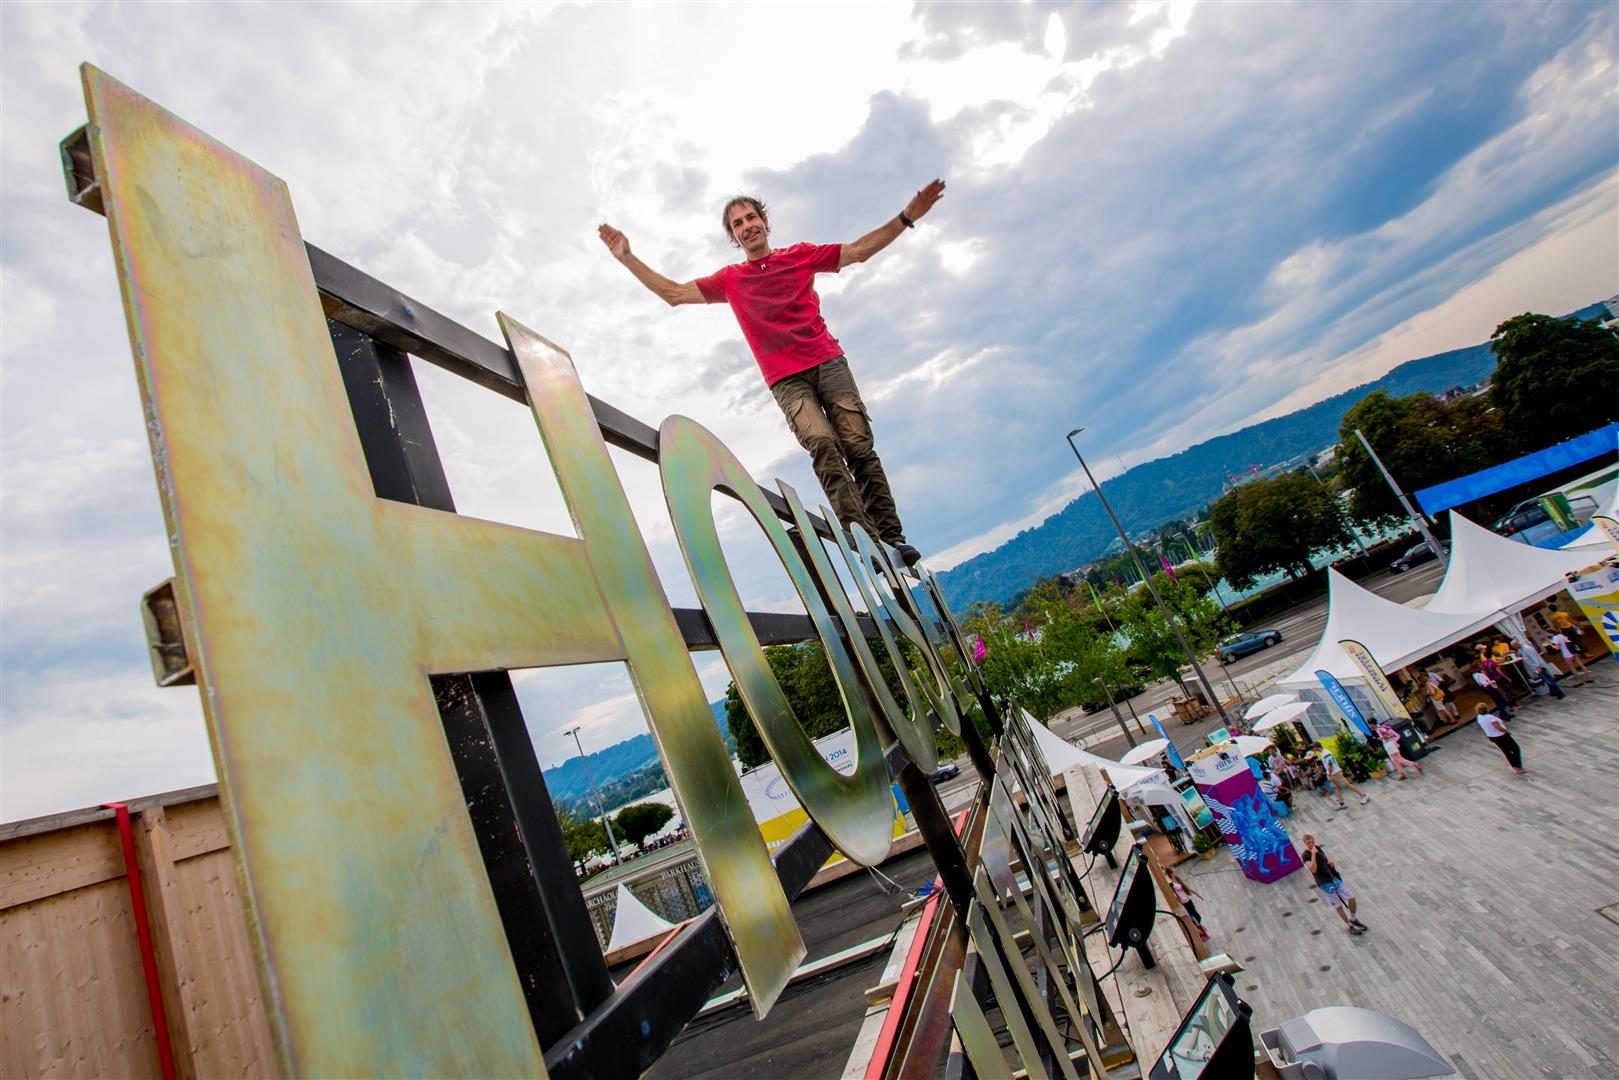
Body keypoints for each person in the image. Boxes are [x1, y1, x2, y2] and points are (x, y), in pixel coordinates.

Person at [597, 182, 948, 567]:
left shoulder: (799, 256)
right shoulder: (731, 280)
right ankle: (865, 540)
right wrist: (627, 258)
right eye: (737, 224)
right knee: (823, 445)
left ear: (765, 222)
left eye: (751, 218)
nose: (747, 226)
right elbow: (675, 294)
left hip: (827, 362)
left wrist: (906, 217)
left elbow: (859, 252)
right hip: (786, 378)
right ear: (733, 237)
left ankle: (893, 536)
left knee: (857, 445)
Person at [1300, 834, 1367, 935]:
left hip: (1332, 877)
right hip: (1324, 883)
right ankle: (1349, 925)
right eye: (1308, 843)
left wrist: (1329, 861)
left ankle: (1353, 918)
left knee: (1351, 897)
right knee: (1338, 906)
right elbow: (1313, 869)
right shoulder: (1305, 855)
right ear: (1305, 844)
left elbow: (1324, 858)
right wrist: (1313, 854)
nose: (1311, 844)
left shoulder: (1317, 848)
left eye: (1312, 841)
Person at [1475, 704, 1526, 774]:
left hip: (1492, 736)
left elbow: (1484, 728)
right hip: (1501, 736)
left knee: (1506, 751)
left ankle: (1515, 766)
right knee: (1515, 749)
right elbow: (1498, 728)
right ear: (1486, 709)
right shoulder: (1490, 717)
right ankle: (1518, 766)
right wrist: (1507, 731)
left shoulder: (1479, 717)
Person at [1315, 741, 1369, 807]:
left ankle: (1364, 795)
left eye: (1313, 748)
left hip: (1335, 773)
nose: (1313, 749)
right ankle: (1341, 803)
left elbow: (1330, 764)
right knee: (1336, 788)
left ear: (1317, 747)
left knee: (1347, 785)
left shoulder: (1325, 753)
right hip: (1332, 773)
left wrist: (1329, 774)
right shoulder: (1323, 753)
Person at [1165, 867, 1211, 942]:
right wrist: (1181, 905)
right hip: (1184, 903)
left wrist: (1197, 894)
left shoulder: (1177, 879)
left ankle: (1201, 931)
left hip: (1188, 900)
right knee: (1193, 918)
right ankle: (1202, 933)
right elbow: (1175, 895)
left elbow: (1187, 888)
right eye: (1173, 872)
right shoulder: (1172, 884)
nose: (1175, 872)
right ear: (1170, 874)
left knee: (1197, 916)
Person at [1471, 650, 1519, 715]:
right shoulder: (1492, 662)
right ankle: (1512, 705)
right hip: (1498, 678)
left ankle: (1507, 708)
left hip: (1492, 680)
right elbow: (1499, 671)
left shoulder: (1484, 663)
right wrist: (1507, 677)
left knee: (1499, 695)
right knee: (1508, 690)